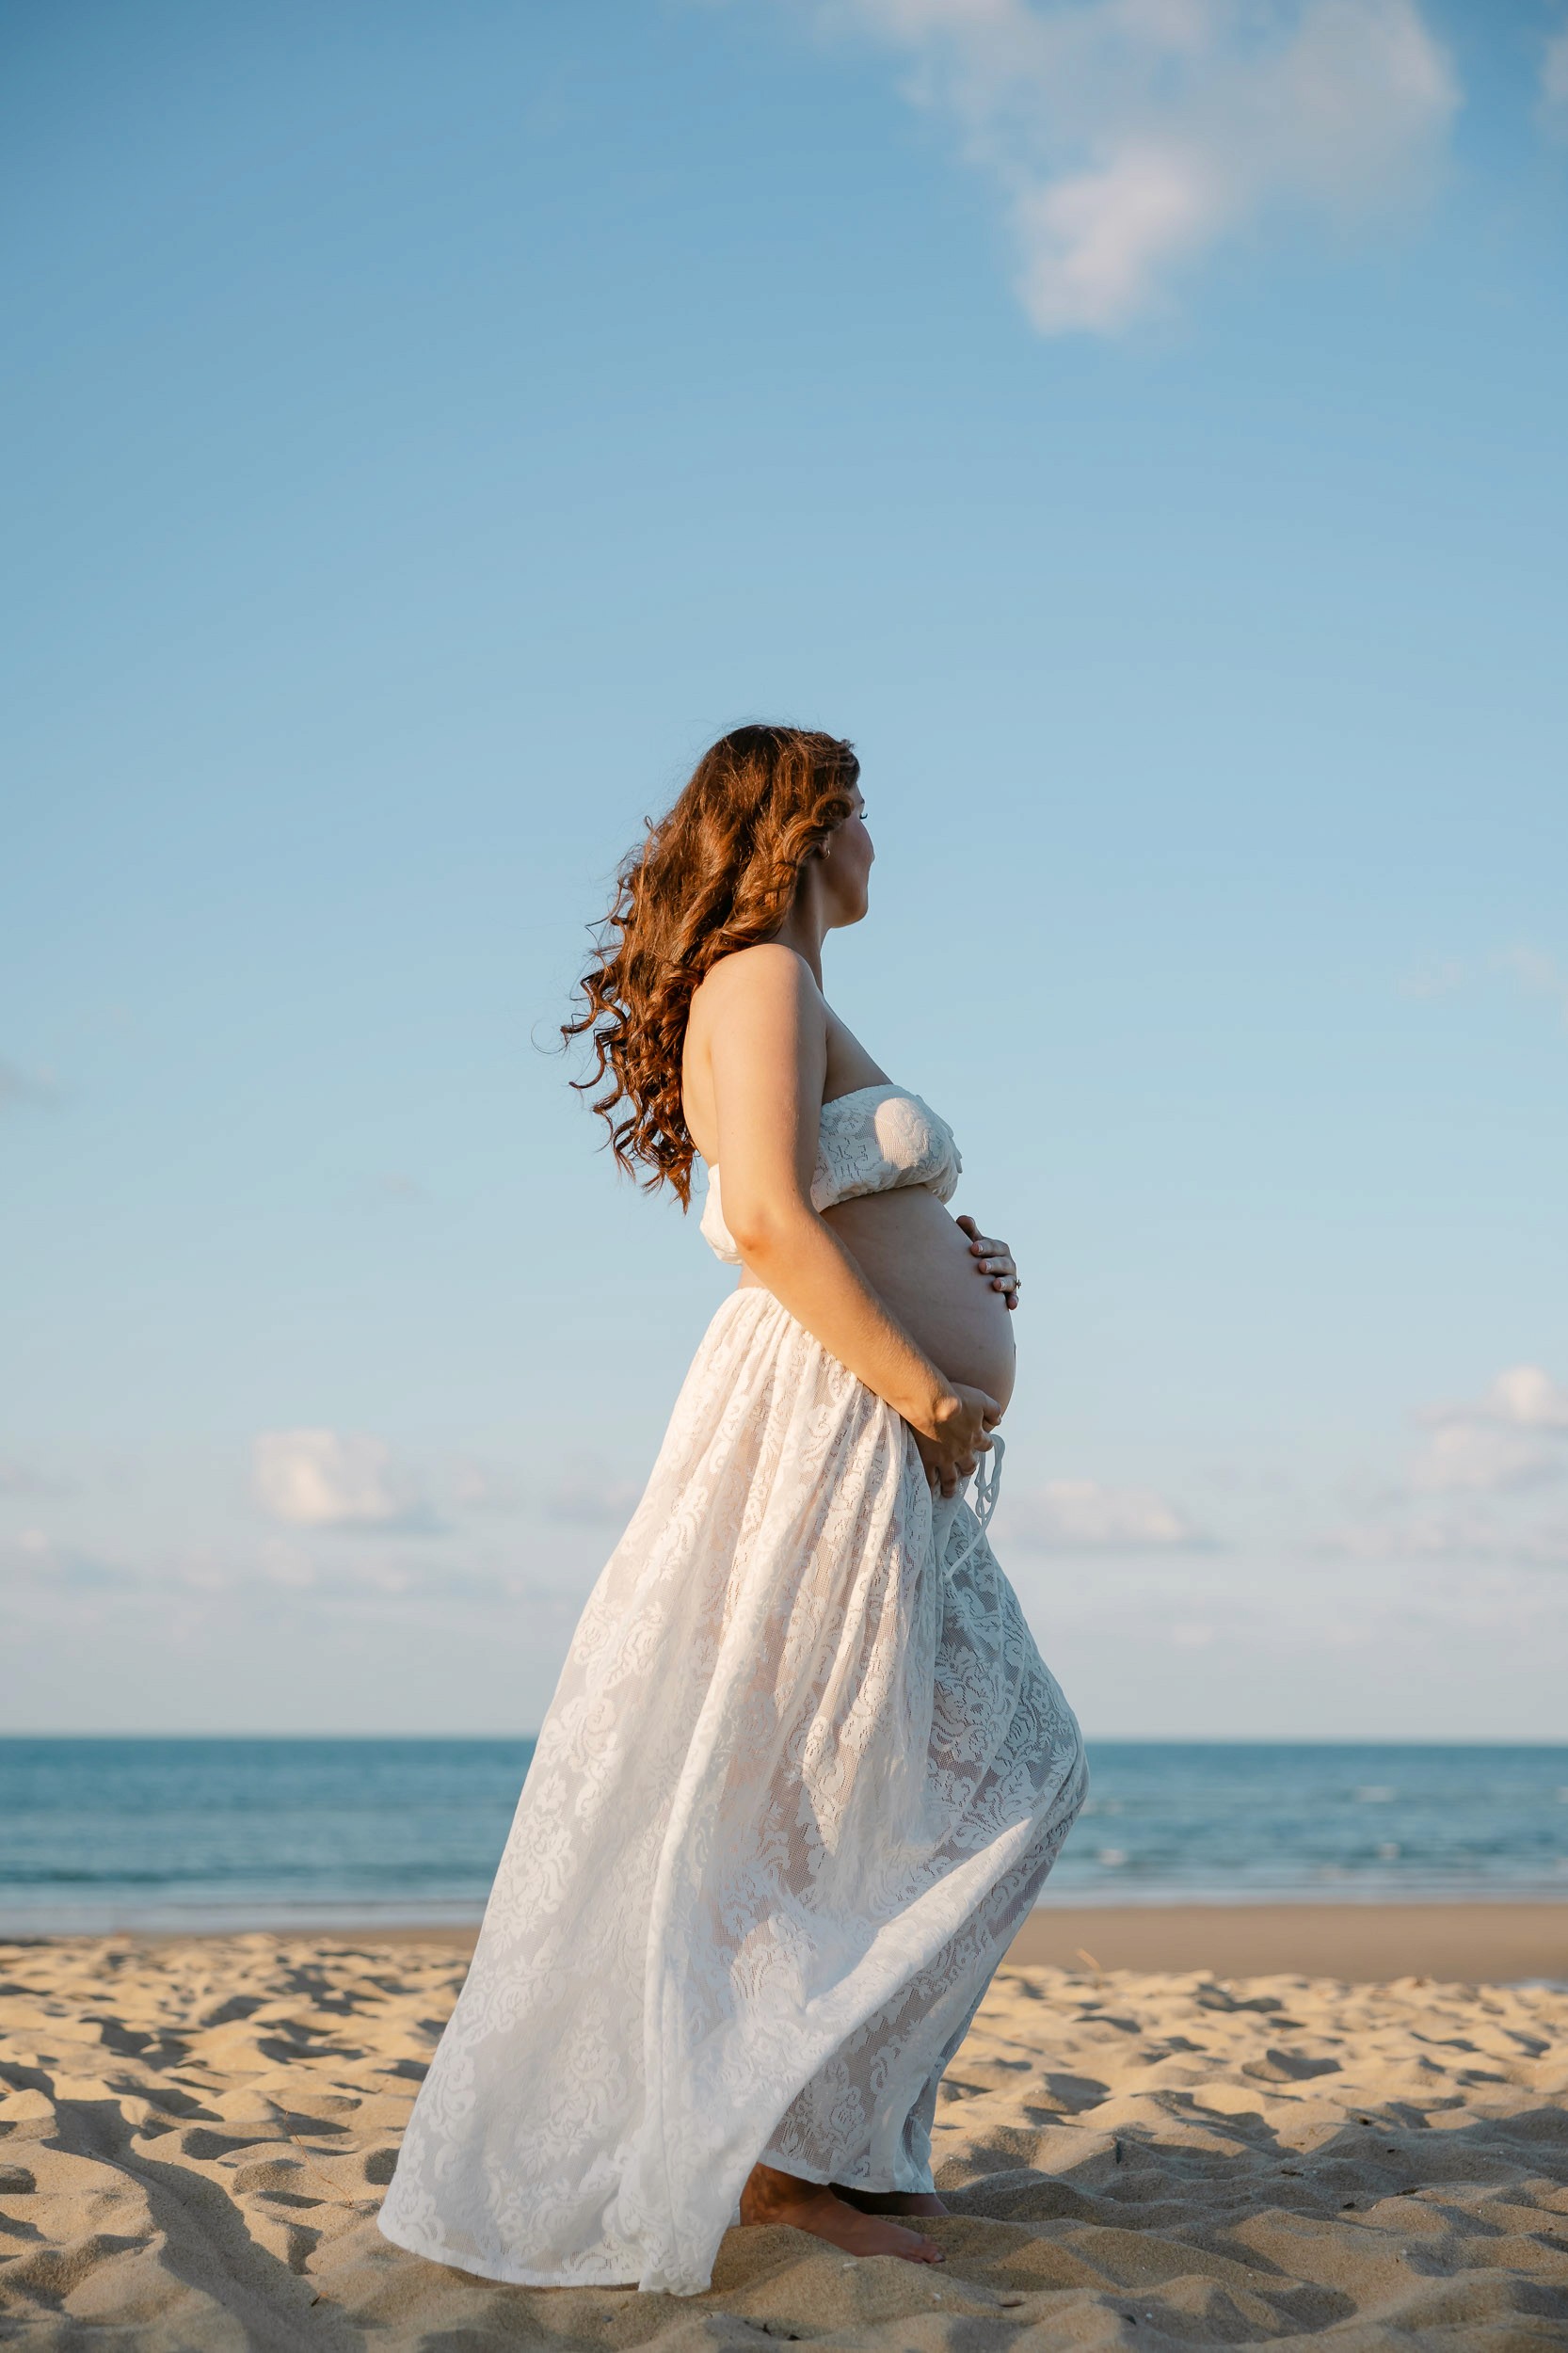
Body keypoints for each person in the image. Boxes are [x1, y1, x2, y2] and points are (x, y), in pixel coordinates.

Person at [378, 724, 1086, 2295]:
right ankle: (780, 2163)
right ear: (805, 824)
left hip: (860, 1405)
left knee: (942, 1767)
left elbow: (823, 1193)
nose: (878, 846)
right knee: (882, 1779)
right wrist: (922, 1385)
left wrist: (959, 1262)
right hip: (832, 1412)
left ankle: (829, 2145)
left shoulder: (789, 983)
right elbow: (762, 1215)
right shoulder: (760, 974)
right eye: (861, 815)